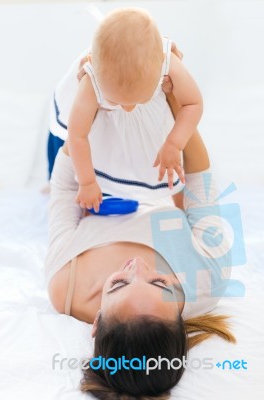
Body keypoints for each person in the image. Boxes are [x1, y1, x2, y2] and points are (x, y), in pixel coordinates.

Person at [45, 86, 236, 397]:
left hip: (89, 177)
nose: (138, 266)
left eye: (118, 283)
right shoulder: (207, 280)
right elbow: (200, 179)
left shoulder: (65, 286)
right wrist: (176, 103)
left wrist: (89, 104)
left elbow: (64, 189)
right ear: (179, 319)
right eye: (160, 282)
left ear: (96, 322)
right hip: (166, 169)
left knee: (62, 129)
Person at [49, 7, 203, 212]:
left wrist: (174, 143)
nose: (128, 109)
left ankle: (182, 209)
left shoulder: (167, 61)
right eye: (117, 100)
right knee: (68, 149)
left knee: (171, 170)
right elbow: (77, 135)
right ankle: (68, 186)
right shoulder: (91, 78)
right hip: (100, 118)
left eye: (140, 99)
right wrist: (87, 182)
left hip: (149, 121)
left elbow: (192, 104)